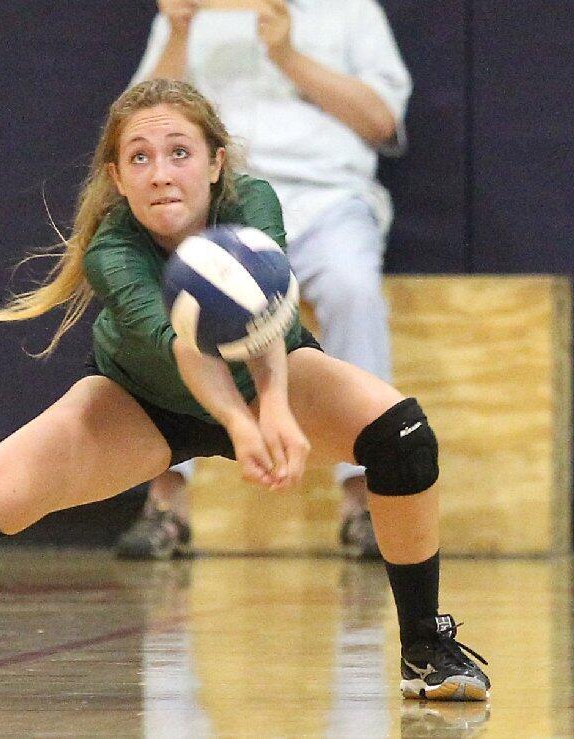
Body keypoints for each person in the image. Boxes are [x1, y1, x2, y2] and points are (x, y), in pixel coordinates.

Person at [0, 78, 489, 704]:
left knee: (402, 435)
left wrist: (272, 407)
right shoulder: (112, 246)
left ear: (217, 162)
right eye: (140, 157)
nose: (161, 174)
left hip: (262, 371)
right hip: (140, 401)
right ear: (117, 177)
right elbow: (182, 346)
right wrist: (240, 427)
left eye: (179, 152)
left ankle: (426, 645)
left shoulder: (251, 200)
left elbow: (269, 314)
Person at [115, 0, 413, 561]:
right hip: (218, 201)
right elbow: (132, 123)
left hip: (325, 197)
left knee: (353, 289)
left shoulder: (350, 10)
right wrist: (179, 33)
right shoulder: (191, 9)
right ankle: (166, 502)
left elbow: (381, 121)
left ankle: (364, 502)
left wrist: (288, 54)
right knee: (176, 299)